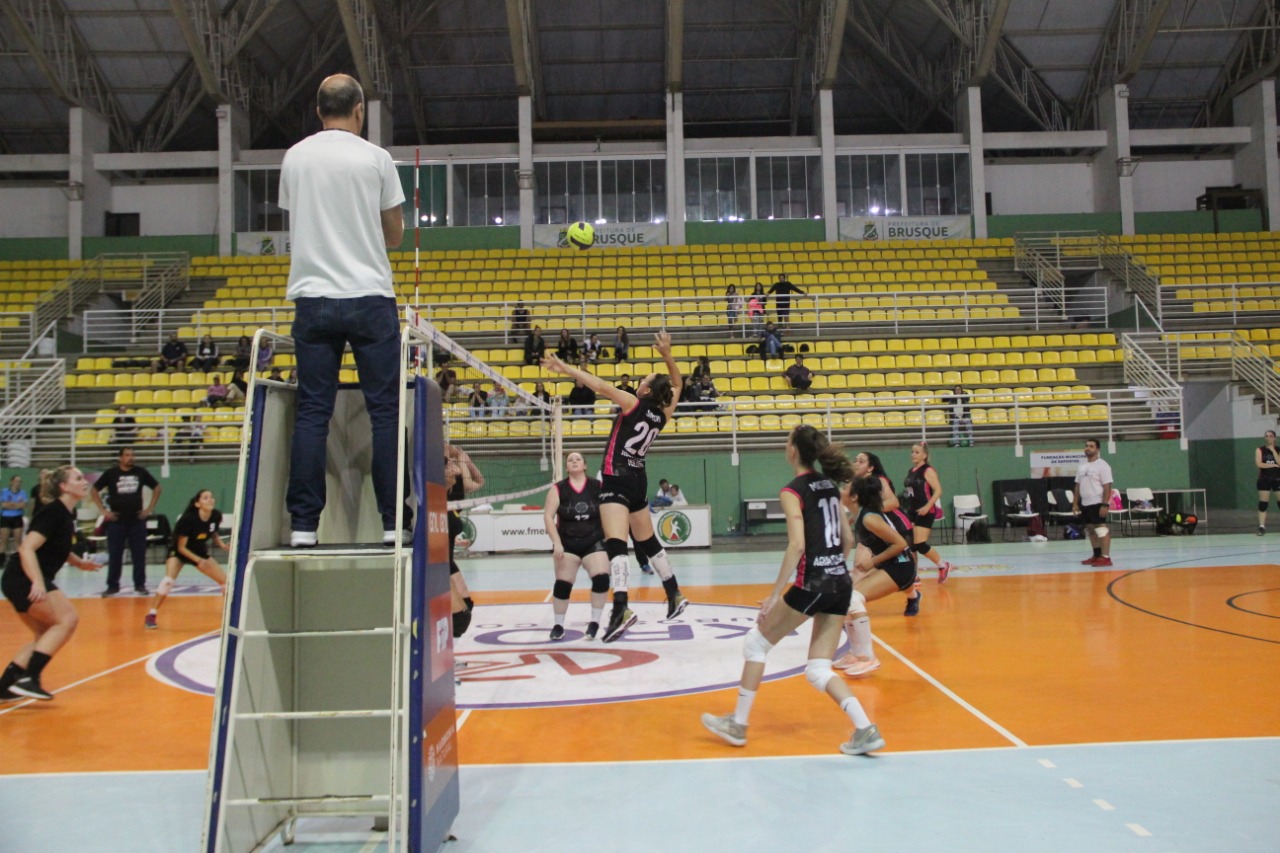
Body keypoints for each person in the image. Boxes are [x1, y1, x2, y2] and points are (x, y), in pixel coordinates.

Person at [279, 73, 407, 548]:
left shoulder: (295, 158)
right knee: (385, 413)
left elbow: (302, 216)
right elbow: (393, 235)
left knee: (312, 412)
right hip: (370, 296)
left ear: (318, 111)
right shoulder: (376, 158)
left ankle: (303, 527)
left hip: (313, 297)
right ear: (360, 111)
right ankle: (395, 521)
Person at [700, 425, 883, 755]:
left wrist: (774, 595)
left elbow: (797, 545)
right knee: (818, 669)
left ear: (794, 451)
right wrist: (835, 570)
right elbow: (849, 540)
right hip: (838, 582)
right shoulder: (830, 485)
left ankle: (738, 724)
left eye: (787, 441)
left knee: (755, 643)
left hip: (813, 582)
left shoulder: (792, 490)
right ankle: (865, 729)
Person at [542, 330, 689, 642]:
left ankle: (621, 607)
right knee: (647, 541)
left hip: (616, 477)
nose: (641, 380)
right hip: (638, 477)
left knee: (616, 545)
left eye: (645, 379)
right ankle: (673, 592)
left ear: (646, 389)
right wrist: (667, 356)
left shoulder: (633, 403)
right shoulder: (663, 413)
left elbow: (598, 385)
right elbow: (678, 384)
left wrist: (566, 369)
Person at [0, 466, 101, 702]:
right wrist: (37, 583)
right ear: (64, 487)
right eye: (78, 478)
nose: (83, 480)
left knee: (45, 634)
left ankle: (5, 686)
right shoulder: (53, 512)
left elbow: (56, 547)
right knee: (67, 620)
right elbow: (27, 548)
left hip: (19, 579)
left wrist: (78, 563)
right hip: (22, 577)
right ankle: (30, 678)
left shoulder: (66, 514)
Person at [836, 466, 920, 677]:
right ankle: (856, 654)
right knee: (847, 599)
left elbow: (900, 543)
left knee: (854, 599)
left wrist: (872, 562)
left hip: (902, 566)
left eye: (845, 487)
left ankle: (868, 657)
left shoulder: (869, 518)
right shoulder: (859, 515)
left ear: (854, 496)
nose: (841, 488)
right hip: (892, 564)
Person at [542, 451, 610, 641]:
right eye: (570, 459)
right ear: (566, 467)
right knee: (563, 584)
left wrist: (611, 539)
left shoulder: (598, 486)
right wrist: (556, 543)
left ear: (585, 465)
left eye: (578, 459)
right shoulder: (558, 489)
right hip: (567, 543)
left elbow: (609, 512)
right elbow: (548, 516)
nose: (574, 461)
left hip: (594, 540)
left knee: (602, 578)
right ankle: (558, 625)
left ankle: (595, 622)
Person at [144, 490, 228, 630]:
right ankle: (151, 615)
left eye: (211, 497)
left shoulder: (215, 515)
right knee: (168, 581)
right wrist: (199, 561)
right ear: (197, 503)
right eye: (205, 498)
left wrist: (222, 545)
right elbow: (182, 548)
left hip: (198, 550)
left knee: (226, 582)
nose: (210, 500)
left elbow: (213, 532)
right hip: (179, 552)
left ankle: (229, 615)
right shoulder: (188, 519)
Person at [90, 447, 162, 596]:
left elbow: (157, 487)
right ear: (120, 458)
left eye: (132, 455)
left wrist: (148, 509)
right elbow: (94, 490)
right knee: (115, 554)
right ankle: (112, 585)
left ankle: (140, 585)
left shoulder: (140, 472)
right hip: (117, 520)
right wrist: (104, 511)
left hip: (137, 520)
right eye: (127, 455)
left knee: (139, 554)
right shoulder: (111, 473)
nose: (131, 458)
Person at [902, 442, 952, 593]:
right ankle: (914, 575)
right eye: (912, 452)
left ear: (924, 455)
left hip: (926, 511)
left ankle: (943, 565)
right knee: (910, 545)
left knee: (920, 544)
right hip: (911, 511)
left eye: (917, 452)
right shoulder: (911, 470)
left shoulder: (927, 470)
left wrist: (928, 506)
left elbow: (938, 490)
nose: (913, 454)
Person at [445, 445, 484, 638]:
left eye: (452, 464)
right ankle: (445, 650)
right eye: (448, 465)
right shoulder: (438, 495)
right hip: (441, 564)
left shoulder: (457, 497)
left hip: (449, 561)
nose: (452, 467)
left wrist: (465, 460)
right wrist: (455, 456)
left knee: (467, 607)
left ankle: (449, 649)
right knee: (460, 616)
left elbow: (479, 481)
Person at [1073, 438, 1114, 567]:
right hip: (1085, 503)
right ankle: (1096, 555)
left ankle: (1105, 557)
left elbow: (1107, 486)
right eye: (1086, 446)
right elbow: (1077, 486)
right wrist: (1075, 504)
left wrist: (1105, 504)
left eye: (1091, 446)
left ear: (1097, 449)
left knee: (1101, 529)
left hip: (1097, 502)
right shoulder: (1082, 466)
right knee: (1090, 529)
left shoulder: (1103, 465)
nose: (1088, 448)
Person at [1256, 430, 1280, 535]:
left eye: (1270, 436)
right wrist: (1273, 465)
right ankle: (1261, 526)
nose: (1268, 438)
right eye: (1266, 436)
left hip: (1277, 479)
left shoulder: (1278, 450)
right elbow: (1259, 464)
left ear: (1274, 438)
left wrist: (1273, 451)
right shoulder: (1260, 450)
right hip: (1264, 479)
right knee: (1263, 504)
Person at [0, 476, 27, 556]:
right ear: (11, 482)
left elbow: (23, 505)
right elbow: (4, 505)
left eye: (19, 481)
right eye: (16, 481)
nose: (17, 483)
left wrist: (12, 505)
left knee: (18, 542)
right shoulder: (4, 492)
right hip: (5, 517)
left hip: (17, 518)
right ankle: (1, 562)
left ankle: (18, 561)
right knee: (3, 541)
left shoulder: (22, 493)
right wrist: (16, 505)